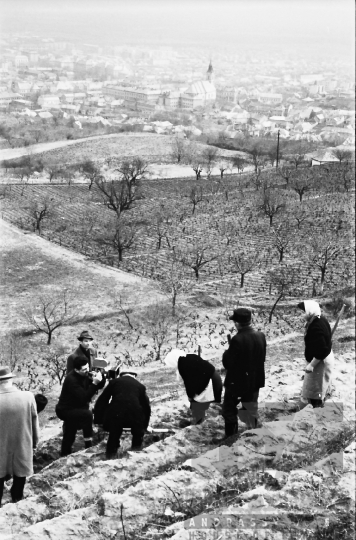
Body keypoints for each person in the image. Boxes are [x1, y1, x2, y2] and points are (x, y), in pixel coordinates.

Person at [221, 308, 266, 437]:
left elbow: (228, 363)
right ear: (250, 320)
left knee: (229, 411)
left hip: (237, 383)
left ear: (237, 323)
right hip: (255, 380)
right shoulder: (261, 336)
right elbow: (261, 358)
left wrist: (226, 352)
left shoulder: (237, 339)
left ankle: (231, 439)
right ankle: (253, 436)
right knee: (251, 410)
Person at [0, 366, 39, 507]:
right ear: (11, 379)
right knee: (20, 475)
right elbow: (35, 422)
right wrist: (34, 442)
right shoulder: (28, 397)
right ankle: (16, 501)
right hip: (22, 443)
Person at [93, 368, 151, 459]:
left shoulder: (114, 382)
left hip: (116, 416)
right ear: (134, 376)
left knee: (114, 434)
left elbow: (102, 400)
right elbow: (146, 407)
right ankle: (135, 453)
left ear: (121, 375)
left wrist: (98, 420)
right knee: (138, 434)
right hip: (134, 418)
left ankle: (110, 456)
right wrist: (145, 426)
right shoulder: (140, 386)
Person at [55, 357, 105, 457]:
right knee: (87, 415)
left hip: (76, 407)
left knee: (70, 430)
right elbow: (84, 397)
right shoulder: (71, 380)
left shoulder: (84, 374)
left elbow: (99, 386)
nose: (87, 371)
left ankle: (65, 453)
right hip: (65, 409)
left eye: (88, 368)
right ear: (76, 370)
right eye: (84, 369)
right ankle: (88, 445)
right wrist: (94, 383)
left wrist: (101, 378)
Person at [164, 349, 222, 424]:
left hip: (210, 382)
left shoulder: (182, 364)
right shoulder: (189, 357)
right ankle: (211, 422)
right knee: (211, 405)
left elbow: (188, 382)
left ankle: (201, 423)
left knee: (198, 404)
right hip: (215, 379)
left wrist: (190, 396)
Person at [297, 300, 334, 408]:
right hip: (321, 358)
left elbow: (322, 349)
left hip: (320, 361)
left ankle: (316, 411)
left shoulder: (316, 326)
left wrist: (311, 365)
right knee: (313, 389)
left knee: (316, 391)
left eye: (303, 312)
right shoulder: (318, 319)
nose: (301, 314)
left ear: (310, 312)